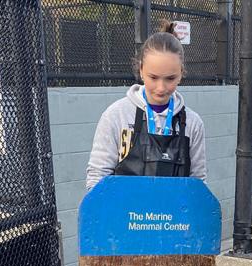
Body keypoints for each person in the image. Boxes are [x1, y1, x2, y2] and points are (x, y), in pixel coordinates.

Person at [85, 21, 207, 189]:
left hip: (174, 214)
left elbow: (198, 183)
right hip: (125, 213)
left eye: (170, 78)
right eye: (153, 77)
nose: (161, 88)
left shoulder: (193, 123)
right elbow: (97, 179)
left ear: (181, 73)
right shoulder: (116, 116)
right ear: (141, 70)